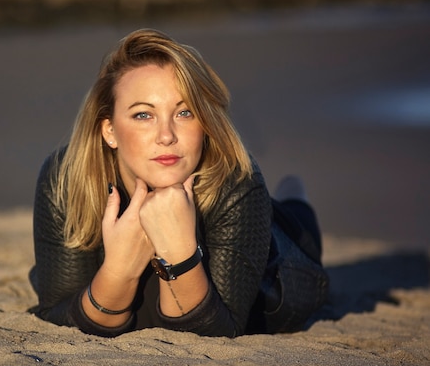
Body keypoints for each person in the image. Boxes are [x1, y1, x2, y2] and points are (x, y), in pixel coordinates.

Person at [29, 28, 328, 338]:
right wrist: (120, 270)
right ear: (110, 131)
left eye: (184, 112)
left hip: (279, 249)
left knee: (298, 221)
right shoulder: (66, 177)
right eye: (143, 115)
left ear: (205, 122)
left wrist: (179, 253)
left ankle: (295, 196)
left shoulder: (237, 181)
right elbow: (57, 314)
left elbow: (217, 331)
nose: (167, 136)